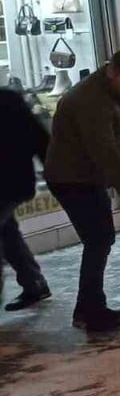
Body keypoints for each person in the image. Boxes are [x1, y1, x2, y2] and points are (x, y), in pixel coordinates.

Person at [44, 50, 120, 332]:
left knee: (101, 238)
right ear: (113, 72)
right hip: (70, 177)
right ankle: (91, 312)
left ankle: (88, 308)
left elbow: (115, 138)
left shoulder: (115, 92)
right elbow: (103, 148)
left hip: (86, 175)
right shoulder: (91, 100)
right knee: (99, 238)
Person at [0, 88, 51, 312]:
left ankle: (34, 283)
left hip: (8, 184)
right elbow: (40, 138)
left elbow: (39, 138)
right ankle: (34, 283)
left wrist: (55, 174)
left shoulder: (7, 99)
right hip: (15, 183)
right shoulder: (9, 97)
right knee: (7, 232)